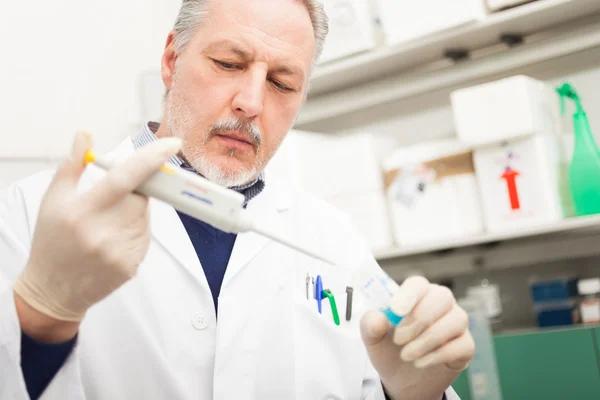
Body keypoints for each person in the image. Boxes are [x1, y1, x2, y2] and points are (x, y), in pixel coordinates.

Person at [0, 0, 475, 399]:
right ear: (171, 59)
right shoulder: (29, 213)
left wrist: (412, 394)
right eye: (229, 64)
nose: (251, 101)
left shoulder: (332, 239)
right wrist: (44, 320)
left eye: (282, 83)